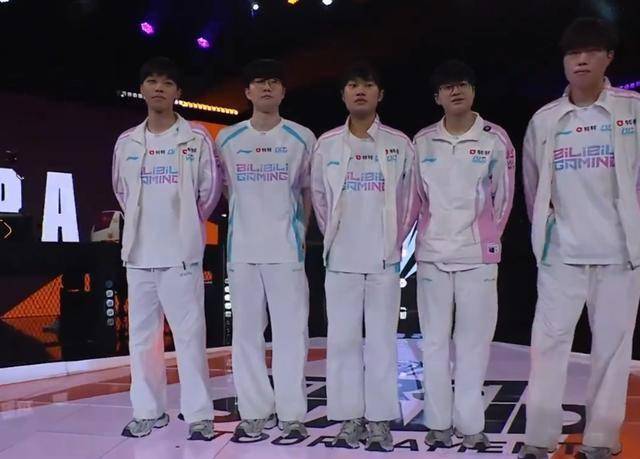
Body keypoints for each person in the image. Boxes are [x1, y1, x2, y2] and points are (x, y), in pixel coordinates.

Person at [519, 18, 640, 459]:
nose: (581, 60)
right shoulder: (545, 119)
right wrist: (548, 233)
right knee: (547, 348)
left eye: (590, 51)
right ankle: (538, 438)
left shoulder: (632, 110)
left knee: (612, 351)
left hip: (620, 253)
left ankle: (601, 441)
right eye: (573, 53)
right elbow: (534, 187)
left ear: (608, 57)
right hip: (561, 255)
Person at [112, 56, 222, 440]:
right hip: (138, 255)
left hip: (181, 255)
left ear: (178, 91)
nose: (159, 88)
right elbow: (122, 191)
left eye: (167, 82)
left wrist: (186, 226)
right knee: (142, 339)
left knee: (190, 338)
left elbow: (208, 192)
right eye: (152, 81)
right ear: (142, 89)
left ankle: (199, 415)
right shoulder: (126, 142)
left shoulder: (196, 139)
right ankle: (148, 411)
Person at [411, 59, 515, 451]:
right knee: (434, 344)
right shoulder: (422, 141)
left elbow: (504, 198)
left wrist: (488, 241)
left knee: (473, 344)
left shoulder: (494, 138)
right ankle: (438, 423)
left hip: (477, 259)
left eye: (463, 84)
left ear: (473, 91)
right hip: (432, 257)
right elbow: (414, 200)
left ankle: (471, 425)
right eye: (447, 86)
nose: (456, 91)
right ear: (437, 97)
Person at [310, 61, 415, 452]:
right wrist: (334, 240)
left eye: (367, 85)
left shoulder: (399, 144)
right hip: (341, 260)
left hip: (383, 260)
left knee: (383, 342)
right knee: (342, 342)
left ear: (379, 94)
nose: (360, 91)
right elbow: (319, 199)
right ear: (343, 95)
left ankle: (380, 420)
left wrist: (394, 244)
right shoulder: (327, 144)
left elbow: (410, 200)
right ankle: (349, 418)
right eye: (352, 85)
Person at [215, 59, 316, 440]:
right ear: (247, 91)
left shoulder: (302, 137)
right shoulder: (227, 139)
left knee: (292, 334)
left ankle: (291, 414)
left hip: (286, 250)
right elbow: (225, 189)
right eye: (259, 82)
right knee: (246, 335)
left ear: (284, 91)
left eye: (274, 82)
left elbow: (308, 191)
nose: (267, 88)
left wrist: (298, 231)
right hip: (243, 250)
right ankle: (255, 412)